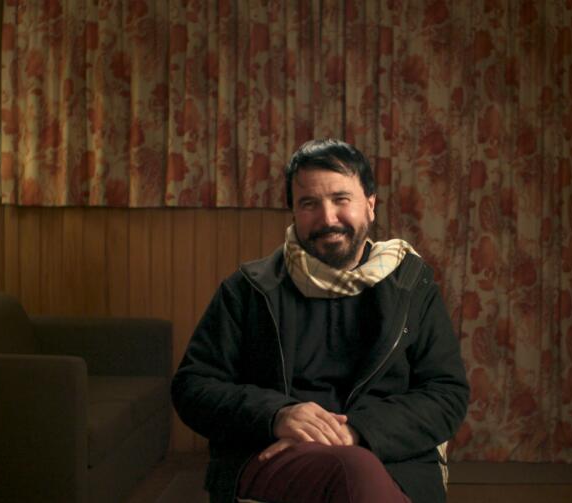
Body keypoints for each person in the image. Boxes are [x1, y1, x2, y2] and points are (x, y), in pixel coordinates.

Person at [171, 139, 470, 503]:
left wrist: (357, 432)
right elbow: (192, 387)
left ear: (370, 206)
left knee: (355, 466)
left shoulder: (411, 285)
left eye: (341, 200)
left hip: (389, 458)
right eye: (309, 204)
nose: (327, 219)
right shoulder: (249, 288)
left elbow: (447, 394)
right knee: (350, 469)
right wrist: (277, 414)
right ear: (294, 212)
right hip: (273, 453)